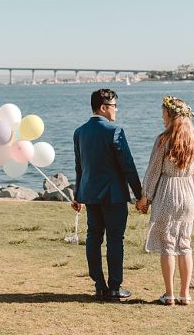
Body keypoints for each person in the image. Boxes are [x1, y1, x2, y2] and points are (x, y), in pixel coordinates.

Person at [72, 88, 144, 301]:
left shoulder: (80, 132)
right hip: (113, 196)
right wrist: (140, 194)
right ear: (103, 107)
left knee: (93, 238)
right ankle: (114, 287)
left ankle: (99, 285)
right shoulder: (115, 131)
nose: (116, 110)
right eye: (114, 106)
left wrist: (77, 195)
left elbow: (79, 167)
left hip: (90, 195)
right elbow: (128, 166)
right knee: (115, 240)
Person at [136, 95, 194, 306]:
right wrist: (192, 197)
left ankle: (169, 294)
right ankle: (185, 294)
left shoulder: (163, 140)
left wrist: (144, 198)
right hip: (187, 193)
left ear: (170, 114)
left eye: (163, 112)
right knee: (184, 244)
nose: (162, 116)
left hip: (167, 190)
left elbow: (154, 171)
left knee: (168, 244)